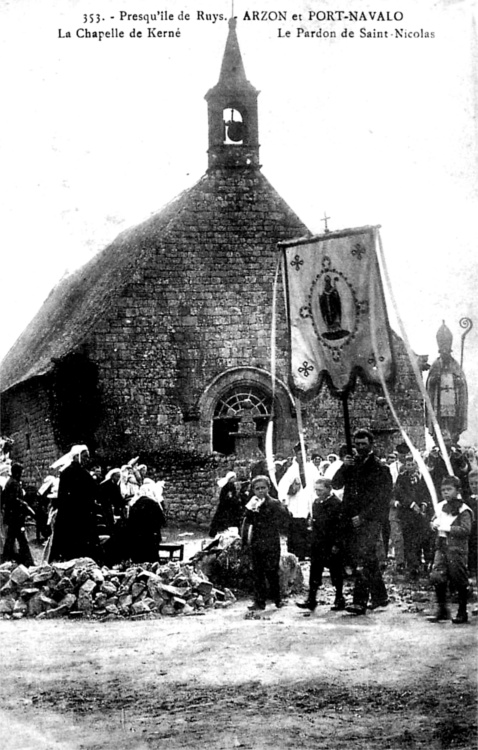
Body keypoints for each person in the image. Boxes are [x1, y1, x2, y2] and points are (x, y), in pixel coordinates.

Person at [332, 428, 393, 616]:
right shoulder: (351, 465)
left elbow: (382, 498)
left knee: (364, 555)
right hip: (351, 517)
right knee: (368, 557)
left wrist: (364, 516)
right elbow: (336, 485)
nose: (359, 448)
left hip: (372, 519)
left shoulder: (381, 469)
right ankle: (380, 596)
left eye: (363, 444)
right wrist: (344, 466)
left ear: (371, 445)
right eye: (357, 444)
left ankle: (359, 601)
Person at [242, 475, 291, 611]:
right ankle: (259, 602)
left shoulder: (274, 503)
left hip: (271, 542)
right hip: (257, 542)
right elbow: (247, 522)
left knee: (272, 572)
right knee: (257, 573)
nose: (260, 491)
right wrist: (250, 509)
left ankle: (277, 599)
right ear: (253, 490)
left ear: (268, 488)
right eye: (257, 489)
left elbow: (284, 520)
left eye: (263, 488)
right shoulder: (252, 503)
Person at [296, 477, 345, 612]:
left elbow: (340, 527)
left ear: (329, 489)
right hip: (318, 543)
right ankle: (311, 599)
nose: (318, 492)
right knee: (314, 572)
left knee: (336, 572)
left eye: (320, 490)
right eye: (316, 490)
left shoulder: (336, 504)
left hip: (331, 544)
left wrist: (337, 544)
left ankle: (339, 599)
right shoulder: (316, 503)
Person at [429, 476, 473, 624]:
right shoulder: (441, 506)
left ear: (457, 490)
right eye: (443, 490)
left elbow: (466, 530)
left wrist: (447, 528)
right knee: (437, 576)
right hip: (441, 547)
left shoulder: (464, 510)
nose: (445, 493)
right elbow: (435, 520)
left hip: (457, 549)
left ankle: (462, 611)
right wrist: (433, 524)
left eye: (449, 489)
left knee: (459, 579)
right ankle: (442, 610)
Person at [49, 445, 102, 563]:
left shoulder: (68, 472)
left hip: (72, 513)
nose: (86, 460)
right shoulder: (79, 473)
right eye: (84, 457)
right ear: (77, 456)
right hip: (79, 513)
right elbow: (94, 491)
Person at [278, 442, 320, 559]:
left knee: (310, 528)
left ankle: (309, 553)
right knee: (296, 529)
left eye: (304, 454)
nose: (302, 457)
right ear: (296, 455)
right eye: (299, 455)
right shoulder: (291, 469)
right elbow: (283, 485)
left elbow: (318, 482)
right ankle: (297, 554)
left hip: (309, 500)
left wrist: (317, 497)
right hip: (296, 502)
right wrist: (286, 495)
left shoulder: (312, 468)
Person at [393, 455, 432, 580]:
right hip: (407, 514)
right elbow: (399, 494)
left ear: (417, 465)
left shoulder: (424, 477)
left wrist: (424, 504)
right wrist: (411, 504)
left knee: (423, 538)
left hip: (422, 514)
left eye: (412, 464)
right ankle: (413, 566)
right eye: (408, 465)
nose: (410, 467)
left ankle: (426, 565)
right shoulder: (401, 478)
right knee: (409, 541)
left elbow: (428, 492)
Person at [1, 463, 34, 566]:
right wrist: (25, 505)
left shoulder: (11, 482)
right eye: (20, 472)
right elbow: (14, 500)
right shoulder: (13, 483)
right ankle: (28, 561)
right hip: (15, 516)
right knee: (20, 539)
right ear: (16, 472)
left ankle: (7, 559)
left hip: (13, 516)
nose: (21, 474)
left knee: (11, 539)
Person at [127, 483, 167, 563]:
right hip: (151, 535)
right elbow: (162, 521)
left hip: (137, 536)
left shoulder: (134, 503)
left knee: (139, 558)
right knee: (152, 558)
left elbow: (129, 521)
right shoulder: (153, 503)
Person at [209, 471, 243, 537]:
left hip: (227, 505)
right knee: (225, 518)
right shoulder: (229, 486)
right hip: (227, 506)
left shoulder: (229, 485)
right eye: (233, 478)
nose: (235, 479)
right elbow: (228, 496)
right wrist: (234, 500)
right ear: (230, 478)